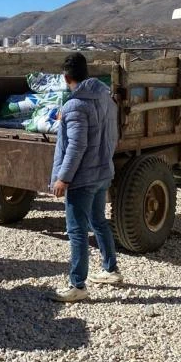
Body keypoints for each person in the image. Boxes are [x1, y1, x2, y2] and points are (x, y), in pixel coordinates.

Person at [48, 52, 122, 302]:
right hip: (102, 171)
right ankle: (110, 270)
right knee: (99, 221)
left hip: (82, 178)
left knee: (77, 230)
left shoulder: (75, 106)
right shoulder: (105, 99)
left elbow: (76, 146)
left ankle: (77, 285)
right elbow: (111, 135)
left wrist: (63, 178)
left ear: (65, 77)